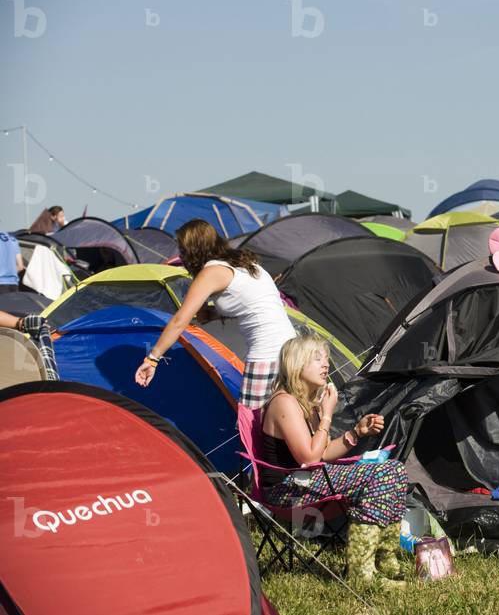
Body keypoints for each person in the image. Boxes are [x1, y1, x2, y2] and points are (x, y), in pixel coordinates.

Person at [261, 335, 408, 587]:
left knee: (395, 469)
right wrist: (328, 414)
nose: (326, 365)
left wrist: (356, 433)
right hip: (287, 490)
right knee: (380, 475)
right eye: (316, 358)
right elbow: (309, 457)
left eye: (326, 358)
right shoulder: (284, 402)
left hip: (309, 480)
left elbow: (324, 452)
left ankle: (385, 557)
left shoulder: (307, 404)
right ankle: (361, 572)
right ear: (296, 364)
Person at [134, 219, 295, 407]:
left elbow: (179, 321)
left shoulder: (211, 273)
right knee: (295, 423)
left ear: (192, 251)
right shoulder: (246, 263)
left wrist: (152, 359)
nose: (180, 255)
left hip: (267, 356)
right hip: (295, 350)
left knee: (251, 423)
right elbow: (242, 307)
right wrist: (211, 308)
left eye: (182, 250)